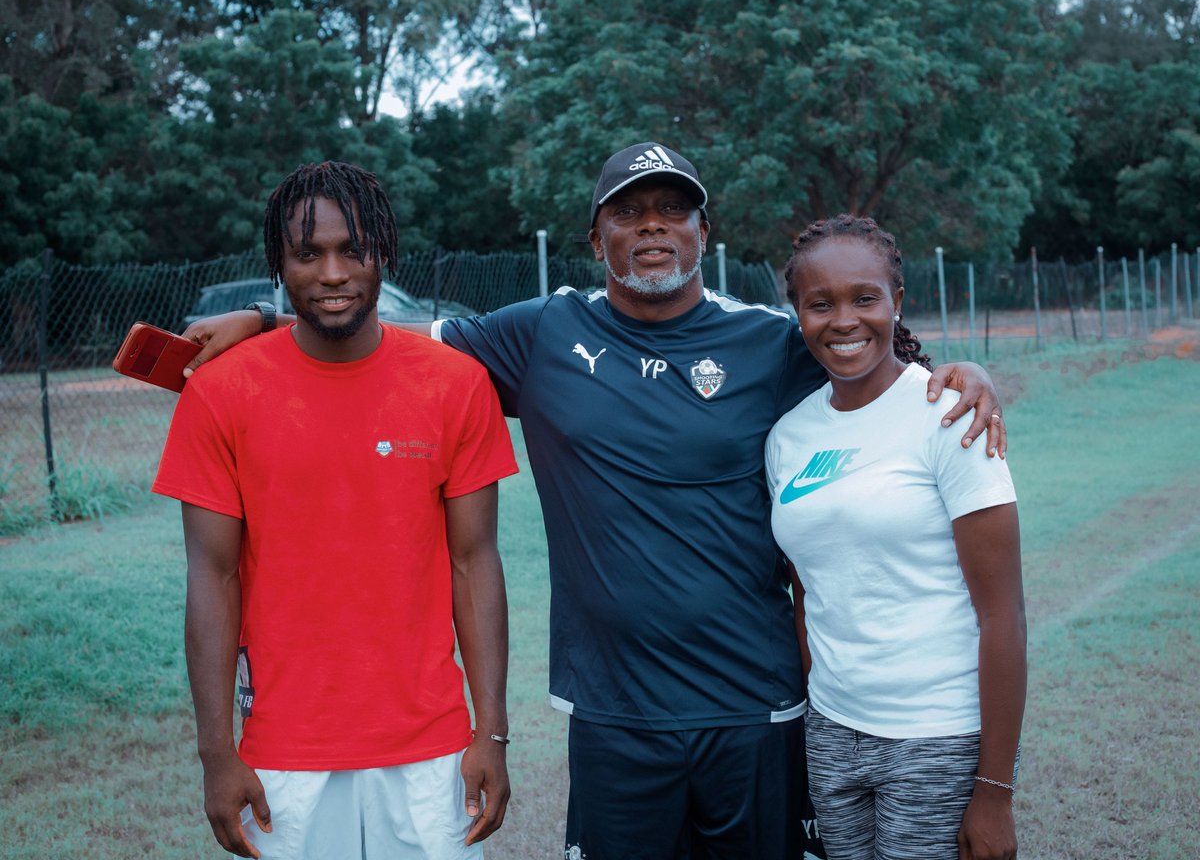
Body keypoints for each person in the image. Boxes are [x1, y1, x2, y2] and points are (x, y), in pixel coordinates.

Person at [182, 142, 1007, 860]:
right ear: (594, 238)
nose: (652, 227)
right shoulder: (541, 333)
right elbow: (379, 335)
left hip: (755, 704)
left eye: (673, 211)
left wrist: (963, 374)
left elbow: (866, 352)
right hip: (613, 711)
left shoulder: (767, 341)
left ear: (704, 232)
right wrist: (265, 318)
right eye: (628, 213)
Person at [153, 161, 518, 860]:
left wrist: (491, 733)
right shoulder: (220, 392)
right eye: (308, 253)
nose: (332, 273)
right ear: (278, 263)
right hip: (282, 755)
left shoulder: (455, 384)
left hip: (432, 753)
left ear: (384, 254)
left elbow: (475, 563)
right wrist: (216, 753)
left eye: (353, 250)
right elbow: (212, 577)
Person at [767, 214, 1025, 860]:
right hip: (832, 733)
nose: (844, 321)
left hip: (937, 735)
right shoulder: (787, 438)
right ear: (797, 314)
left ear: (897, 301)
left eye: (865, 298)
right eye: (820, 304)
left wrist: (994, 791)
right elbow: (808, 594)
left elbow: (1003, 616)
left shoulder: (952, 417)